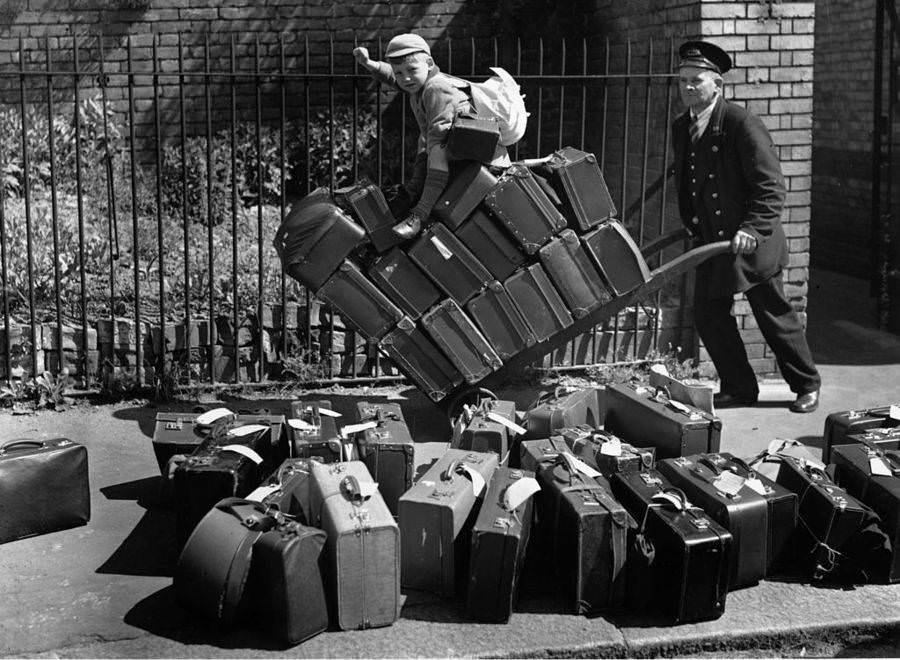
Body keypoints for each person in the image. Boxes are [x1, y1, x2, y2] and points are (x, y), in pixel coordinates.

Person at [672, 40, 821, 413]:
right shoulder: (682, 126)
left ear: (717, 85)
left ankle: (806, 384)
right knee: (708, 314)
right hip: (713, 241)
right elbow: (689, 181)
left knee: (773, 316)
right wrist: (692, 222)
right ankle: (739, 387)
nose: (689, 88)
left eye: (698, 81)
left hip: (752, 241)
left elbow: (771, 186)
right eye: (684, 81)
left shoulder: (741, 123)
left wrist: (753, 230)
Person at [353, 33, 509, 239]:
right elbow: (391, 76)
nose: (405, 78)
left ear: (429, 63)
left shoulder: (434, 87)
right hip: (454, 144)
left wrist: (427, 156)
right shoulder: (418, 84)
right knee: (426, 152)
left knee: (434, 152)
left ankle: (419, 216)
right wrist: (369, 63)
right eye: (400, 73)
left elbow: (440, 131)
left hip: (476, 153)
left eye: (411, 70)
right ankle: (409, 200)